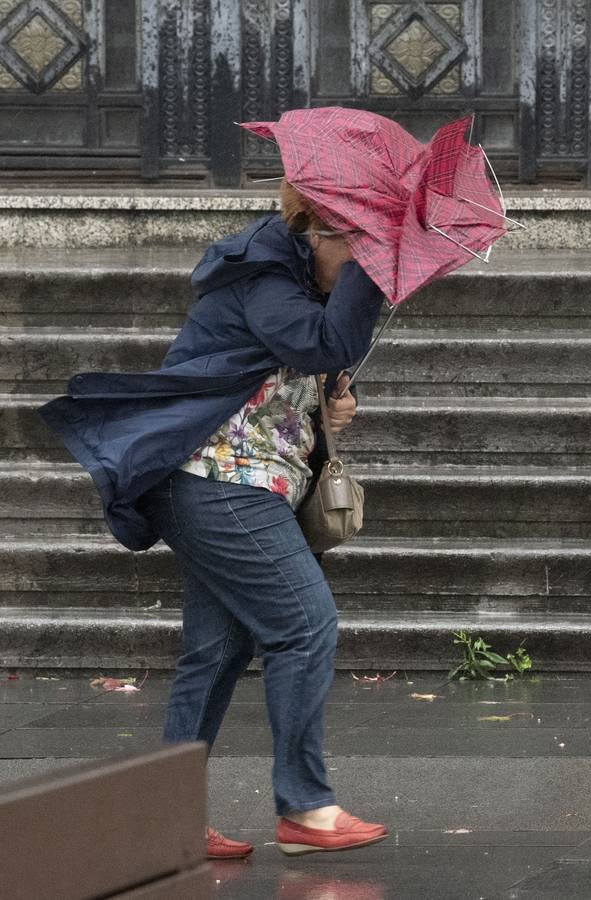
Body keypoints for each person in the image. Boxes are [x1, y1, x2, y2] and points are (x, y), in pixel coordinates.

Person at [40, 182, 389, 860]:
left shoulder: (299, 288)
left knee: (217, 650)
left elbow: (305, 365)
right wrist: (373, 272)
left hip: (238, 480)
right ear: (313, 234)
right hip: (217, 479)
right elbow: (321, 343)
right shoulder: (263, 277)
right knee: (304, 622)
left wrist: (335, 408)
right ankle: (305, 806)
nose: (363, 261)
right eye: (356, 243)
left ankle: (167, 824)